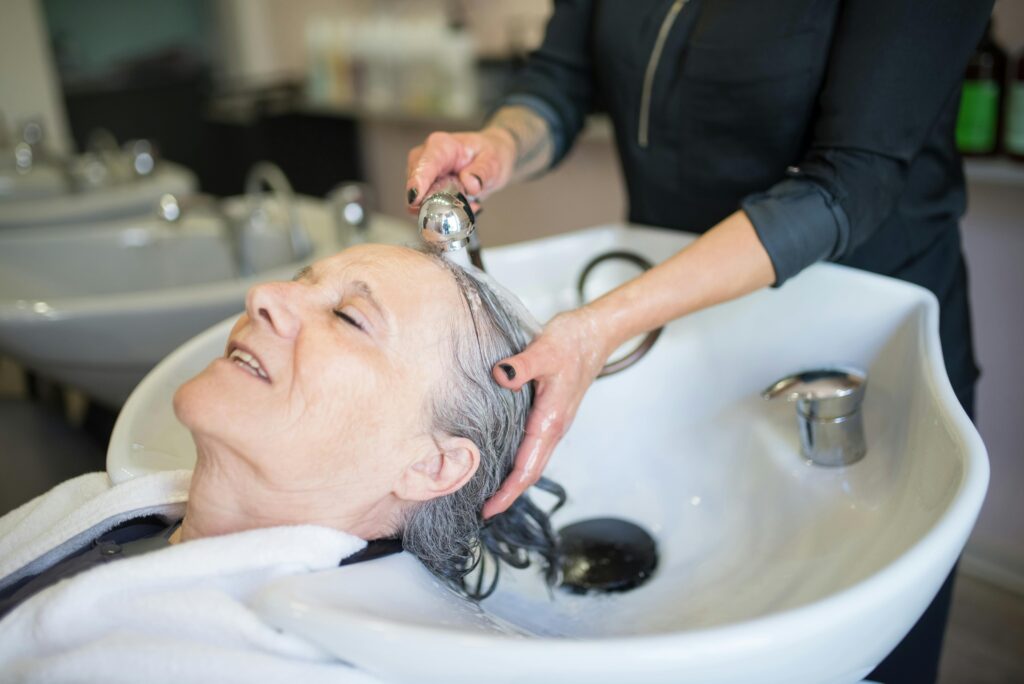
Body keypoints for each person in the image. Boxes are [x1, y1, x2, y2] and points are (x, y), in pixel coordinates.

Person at [405, 1, 991, 681]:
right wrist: (501, 146)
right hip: (676, 320)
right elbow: (558, 86)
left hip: (850, 334)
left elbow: (851, 182)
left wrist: (607, 323)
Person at [0, 244, 561, 680]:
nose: (264, 295)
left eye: (348, 317)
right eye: (298, 283)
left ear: (431, 466)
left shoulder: (302, 664)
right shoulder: (104, 508)